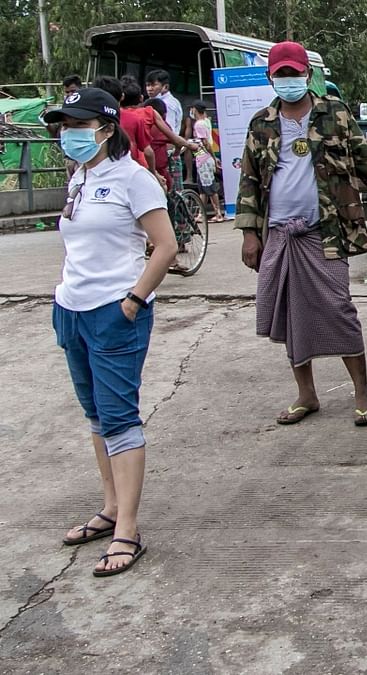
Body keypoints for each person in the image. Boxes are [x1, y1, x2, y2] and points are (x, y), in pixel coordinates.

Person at [235, 41, 367, 427]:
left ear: (308, 75)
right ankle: (307, 394)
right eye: (281, 74)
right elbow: (250, 182)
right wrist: (249, 235)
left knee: (339, 310)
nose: (288, 80)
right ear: (271, 77)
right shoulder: (260, 124)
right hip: (278, 234)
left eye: (294, 73)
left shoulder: (334, 114)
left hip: (326, 232)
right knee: (289, 314)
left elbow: (366, 162)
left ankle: (361, 391)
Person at [45, 88, 177, 576]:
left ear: (104, 128)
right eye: (63, 126)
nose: (69, 135)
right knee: (96, 416)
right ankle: (109, 508)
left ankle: (128, 529)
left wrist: (133, 300)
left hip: (114, 313)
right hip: (72, 310)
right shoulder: (80, 176)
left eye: (78, 126)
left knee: (120, 418)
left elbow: (165, 246)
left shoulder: (133, 179)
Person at [190, 102, 226, 222]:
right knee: (203, 188)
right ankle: (201, 213)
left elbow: (205, 143)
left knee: (209, 188)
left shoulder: (199, 124)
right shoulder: (206, 121)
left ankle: (218, 213)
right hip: (203, 158)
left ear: (195, 110)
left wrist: (212, 157)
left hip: (203, 158)